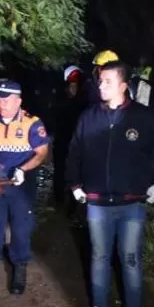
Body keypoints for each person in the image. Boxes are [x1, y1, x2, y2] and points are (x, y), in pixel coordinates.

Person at [66, 61, 154, 307]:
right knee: (99, 257)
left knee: (130, 259)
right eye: (100, 81)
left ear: (123, 86)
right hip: (97, 202)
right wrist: (75, 184)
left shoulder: (143, 118)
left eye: (108, 82)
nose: (101, 86)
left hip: (131, 202)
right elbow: (74, 153)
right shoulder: (88, 117)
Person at [0, 80, 50, 295]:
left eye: (5, 100)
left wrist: (23, 169)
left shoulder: (33, 123)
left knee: (21, 229)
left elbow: (42, 153)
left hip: (22, 185)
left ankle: (19, 270)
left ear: (18, 101)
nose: (0, 104)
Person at [52, 65, 90, 208]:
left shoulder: (84, 99)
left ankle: (71, 201)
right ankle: (61, 199)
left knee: (73, 168)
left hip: (74, 139)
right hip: (64, 139)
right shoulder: (62, 98)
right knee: (62, 169)